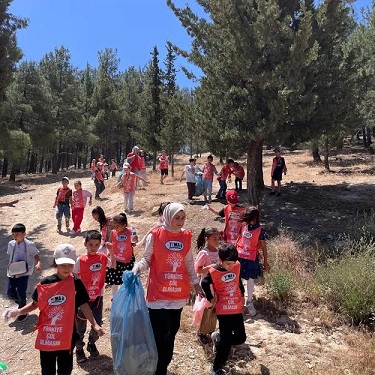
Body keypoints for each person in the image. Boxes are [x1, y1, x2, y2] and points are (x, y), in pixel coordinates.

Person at [3, 244, 105, 375]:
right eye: (63, 264)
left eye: (70, 264)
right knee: (47, 370)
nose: (67, 268)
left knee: (65, 370)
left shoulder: (76, 282)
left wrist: (95, 324)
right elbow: (35, 304)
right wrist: (18, 311)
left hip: (67, 336)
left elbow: (84, 304)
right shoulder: (46, 283)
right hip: (48, 337)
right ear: (56, 262)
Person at [132, 203, 204, 375]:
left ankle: (163, 364)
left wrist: (195, 282)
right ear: (167, 216)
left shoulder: (186, 236)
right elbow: (147, 260)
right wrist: (137, 268)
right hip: (158, 295)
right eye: (176, 217)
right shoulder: (155, 235)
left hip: (178, 294)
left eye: (182, 218)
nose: (179, 221)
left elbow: (188, 263)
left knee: (172, 333)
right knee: (161, 334)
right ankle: (158, 368)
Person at [201, 244, 246, 375]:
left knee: (240, 338)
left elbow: (238, 281)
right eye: (228, 264)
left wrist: (242, 294)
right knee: (226, 341)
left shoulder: (236, 265)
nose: (230, 267)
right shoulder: (213, 271)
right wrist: (210, 297)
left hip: (236, 307)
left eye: (232, 263)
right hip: (223, 309)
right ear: (220, 261)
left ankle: (218, 339)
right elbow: (204, 283)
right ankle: (216, 367)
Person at [73, 231, 109, 363]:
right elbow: (74, 275)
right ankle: (79, 348)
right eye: (91, 244)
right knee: (80, 326)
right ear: (85, 244)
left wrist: (112, 251)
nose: (93, 247)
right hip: (83, 299)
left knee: (97, 323)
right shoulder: (80, 260)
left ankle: (91, 343)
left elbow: (113, 264)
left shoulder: (103, 258)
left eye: (97, 244)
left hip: (98, 297)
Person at [236, 207, 270, 316]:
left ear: (255, 217)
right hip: (240, 256)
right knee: (238, 278)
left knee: (250, 279)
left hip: (251, 258)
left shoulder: (260, 230)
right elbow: (239, 239)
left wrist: (265, 262)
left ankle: (249, 301)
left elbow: (264, 248)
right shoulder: (243, 226)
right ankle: (239, 300)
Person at [6, 223, 42, 322]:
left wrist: (38, 263)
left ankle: (23, 310)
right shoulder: (11, 244)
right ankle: (23, 304)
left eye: (17, 234)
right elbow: (10, 256)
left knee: (21, 292)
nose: (15, 236)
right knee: (10, 293)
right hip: (12, 272)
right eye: (13, 234)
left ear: (24, 234)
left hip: (24, 272)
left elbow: (36, 254)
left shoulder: (30, 244)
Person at [193, 227, 220, 345]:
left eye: (218, 238)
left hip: (216, 284)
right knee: (206, 307)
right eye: (214, 238)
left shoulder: (219, 252)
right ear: (207, 239)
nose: (217, 240)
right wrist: (208, 268)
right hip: (206, 284)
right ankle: (202, 332)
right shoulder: (204, 253)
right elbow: (197, 270)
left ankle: (210, 329)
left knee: (214, 307)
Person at [105, 213, 137, 297]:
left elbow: (133, 243)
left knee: (126, 280)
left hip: (128, 260)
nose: (115, 228)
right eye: (114, 226)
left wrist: (135, 240)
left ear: (124, 225)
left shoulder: (130, 231)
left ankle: (126, 296)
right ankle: (114, 297)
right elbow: (110, 242)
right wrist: (109, 251)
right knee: (115, 280)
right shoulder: (113, 232)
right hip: (116, 261)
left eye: (117, 226)